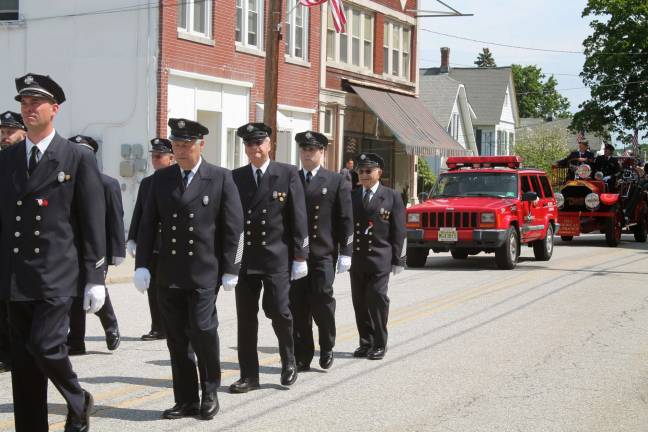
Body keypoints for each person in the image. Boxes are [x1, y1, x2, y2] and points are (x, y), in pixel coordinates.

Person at [0, 73, 106, 432]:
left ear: (54, 109)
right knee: (24, 364)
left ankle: (78, 399)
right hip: (16, 275)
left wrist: (96, 277)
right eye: (24, 103)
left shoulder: (75, 157)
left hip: (57, 274)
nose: (28, 109)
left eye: (35, 103)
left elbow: (92, 222)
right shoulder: (8, 157)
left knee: (45, 347)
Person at [134, 118, 243, 421]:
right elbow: (147, 225)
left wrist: (232, 267)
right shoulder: (161, 179)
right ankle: (185, 400)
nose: (180, 151)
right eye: (176, 145)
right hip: (169, 272)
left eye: (186, 145)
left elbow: (237, 229)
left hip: (204, 272)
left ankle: (209, 391)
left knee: (203, 331)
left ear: (201, 145)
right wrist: (142, 264)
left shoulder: (220, 178)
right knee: (177, 340)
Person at [229, 122, 309, 393]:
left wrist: (300, 255)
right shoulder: (236, 177)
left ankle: (289, 360)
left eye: (260, 142)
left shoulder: (286, 173)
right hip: (246, 258)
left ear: (269, 144)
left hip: (276, 256)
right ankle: (249, 375)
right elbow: (230, 221)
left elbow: (299, 217)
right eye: (250, 144)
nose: (255, 148)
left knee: (279, 311)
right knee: (246, 318)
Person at [290, 131, 353, 372]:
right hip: (296, 255)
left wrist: (346, 251)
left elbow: (346, 218)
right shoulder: (292, 179)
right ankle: (302, 354)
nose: (307, 154)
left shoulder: (335, 181)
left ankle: (326, 345)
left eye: (312, 150)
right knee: (298, 305)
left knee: (322, 302)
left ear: (322, 152)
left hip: (322, 253)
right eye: (304, 149)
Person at [67, 135, 125, 355]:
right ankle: (76, 340)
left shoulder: (107, 183)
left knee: (95, 288)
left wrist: (117, 250)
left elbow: (115, 218)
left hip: (97, 248)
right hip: (71, 247)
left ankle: (111, 327)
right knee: (74, 294)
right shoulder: (65, 181)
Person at [349, 153, 406, 361]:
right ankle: (365, 342)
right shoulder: (353, 195)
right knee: (359, 302)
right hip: (357, 258)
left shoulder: (391, 196)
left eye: (368, 171)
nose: (364, 175)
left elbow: (399, 230)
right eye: (360, 171)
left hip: (381, 258)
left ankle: (380, 343)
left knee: (377, 299)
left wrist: (399, 259)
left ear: (379, 173)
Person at [127, 138, 175, 341]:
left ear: (171, 158)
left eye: (159, 156)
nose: (155, 160)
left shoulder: (178, 180)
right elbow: (140, 211)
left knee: (173, 289)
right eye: (153, 156)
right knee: (153, 288)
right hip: (153, 244)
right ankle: (158, 327)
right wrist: (132, 238)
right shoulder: (148, 183)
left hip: (173, 245)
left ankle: (175, 325)